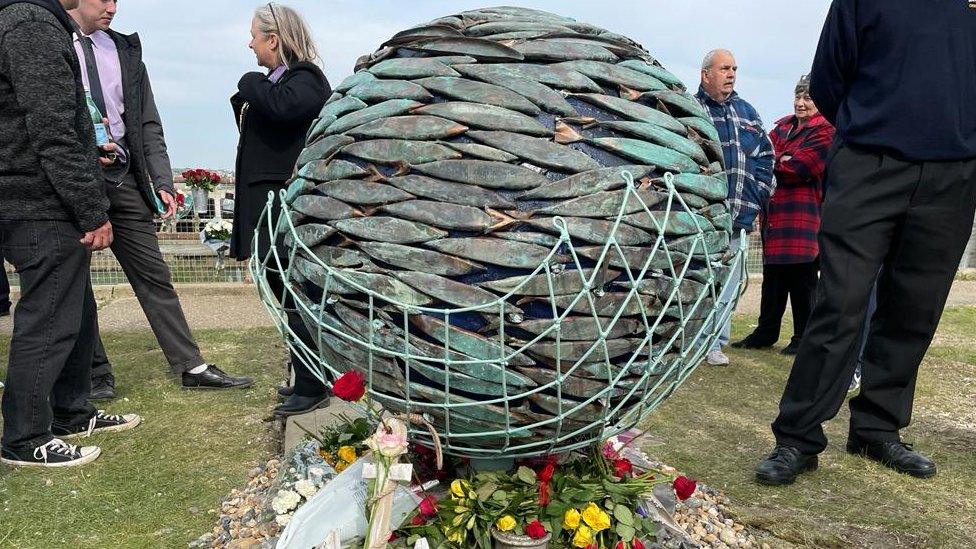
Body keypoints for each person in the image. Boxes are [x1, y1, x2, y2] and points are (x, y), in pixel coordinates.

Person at [756, 0, 976, 486]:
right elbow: (829, 78)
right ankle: (797, 436)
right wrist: (873, 126)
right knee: (841, 301)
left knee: (914, 310)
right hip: (868, 164)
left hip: (953, 174)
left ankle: (877, 428)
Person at [67, 0, 253, 399]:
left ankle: (191, 365)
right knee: (73, 282)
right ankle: (94, 375)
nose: (113, 8)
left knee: (155, 275)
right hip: (74, 180)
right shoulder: (52, 43)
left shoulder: (125, 51)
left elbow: (148, 122)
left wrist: (162, 179)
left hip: (125, 179)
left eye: (117, 0)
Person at [0, 0, 139, 468]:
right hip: (37, 200)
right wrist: (91, 210)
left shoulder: (32, 23)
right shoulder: (31, 24)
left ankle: (72, 411)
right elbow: (52, 129)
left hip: (38, 193)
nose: (112, 5)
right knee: (47, 319)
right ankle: (25, 437)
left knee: (74, 309)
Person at [230, 2, 330, 417]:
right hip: (267, 197)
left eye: (255, 36)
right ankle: (306, 377)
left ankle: (314, 383)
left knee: (293, 289)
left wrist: (250, 80)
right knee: (280, 287)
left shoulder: (306, 78)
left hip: (283, 201)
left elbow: (283, 108)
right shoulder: (278, 81)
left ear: (273, 39)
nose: (250, 44)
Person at [732, 76, 833, 356]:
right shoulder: (782, 127)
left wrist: (778, 161)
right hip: (774, 215)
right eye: (798, 97)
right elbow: (760, 157)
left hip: (803, 216)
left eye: (808, 99)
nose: (801, 103)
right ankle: (766, 332)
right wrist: (780, 159)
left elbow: (801, 168)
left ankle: (803, 337)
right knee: (773, 279)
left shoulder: (826, 130)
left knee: (803, 281)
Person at [695, 49, 776, 366]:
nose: (731, 74)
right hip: (700, 219)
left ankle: (715, 344)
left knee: (727, 288)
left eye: (734, 69)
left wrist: (758, 195)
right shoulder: (690, 110)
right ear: (706, 74)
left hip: (739, 218)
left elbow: (766, 159)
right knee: (696, 283)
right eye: (724, 68)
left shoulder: (748, 113)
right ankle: (686, 345)